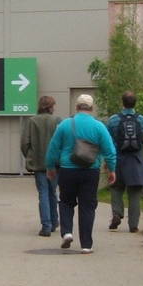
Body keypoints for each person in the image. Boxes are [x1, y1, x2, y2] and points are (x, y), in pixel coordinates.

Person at [45, 93, 116, 253]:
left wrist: (50, 167)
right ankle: (86, 245)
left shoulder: (65, 125)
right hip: (90, 171)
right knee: (87, 206)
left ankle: (67, 233)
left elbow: (53, 148)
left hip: (68, 170)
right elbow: (110, 151)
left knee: (66, 202)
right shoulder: (99, 126)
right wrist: (112, 169)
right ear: (91, 108)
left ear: (76, 107)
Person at [106, 91, 143, 233]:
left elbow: (108, 141)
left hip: (118, 158)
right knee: (134, 193)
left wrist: (107, 161)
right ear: (135, 103)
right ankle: (133, 225)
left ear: (122, 103)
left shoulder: (113, 120)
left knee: (116, 188)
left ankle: (117, 213)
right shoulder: (142, 120)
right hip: (136, 160)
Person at [20, 94, 61, 236]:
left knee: (43, 193)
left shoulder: (32, 121)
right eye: (53, 105)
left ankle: (46, 226)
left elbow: (24, 143)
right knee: (53, 192)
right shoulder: (57, 121)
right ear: (50, 107)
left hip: (38, 163)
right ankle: (55, 222)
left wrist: (30, 156)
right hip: (55, 164)